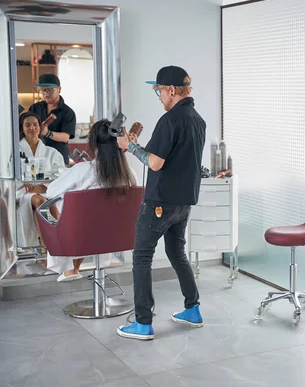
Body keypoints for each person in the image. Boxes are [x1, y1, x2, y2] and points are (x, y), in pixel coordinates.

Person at [116, 65, 206, 340]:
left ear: (171, 90)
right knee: (177, 253)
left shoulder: (169, 120)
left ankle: (143, 323)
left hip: (160, 201)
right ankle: (192, 309)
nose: (158, 95)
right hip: (183, 203)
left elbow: (155, 162)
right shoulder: (198, 120)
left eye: (158, 90)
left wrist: (129, 146)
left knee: (142, 256)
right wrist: (137, 145)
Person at [44, 119, 138, 281]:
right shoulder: (129, 174)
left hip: (84, 238)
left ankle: (70, 266)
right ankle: (74, 267)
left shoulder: (83, 170)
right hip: (119, 237)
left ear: (94, 143)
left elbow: (51, 191)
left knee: (54, 201)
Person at [16, 112, 65, 251]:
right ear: (22, 128)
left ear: (39, 127)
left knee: (50, 201)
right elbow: (9, 173)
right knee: (41, 201)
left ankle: (59, 237)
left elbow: (60, 174)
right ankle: (47, 244)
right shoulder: (14, 152)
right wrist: (23, 182)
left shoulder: (52, 152)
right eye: (27, 125)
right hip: (21, 192)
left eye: (35, 125)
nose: (32, 128)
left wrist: (43, 186)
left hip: (45, 190)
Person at [28, 74, 76, 165]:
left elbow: (65, 137)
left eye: (49, 90)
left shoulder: (68, 112)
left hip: (58, 159)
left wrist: (48, 133)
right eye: (42, 91)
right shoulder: (35, 108)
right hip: (37, 158)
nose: (46, 94)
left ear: (59, 89)